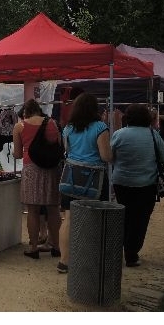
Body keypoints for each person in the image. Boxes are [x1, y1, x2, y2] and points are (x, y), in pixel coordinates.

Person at [57, 93, 112, 274]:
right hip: (94, 180)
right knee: (94, 219)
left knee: (68, 219)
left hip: (71, 176)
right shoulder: (100, 127)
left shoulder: (68, 128)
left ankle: (64, 261)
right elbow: (106, 156)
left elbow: (68, 151)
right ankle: (87, 259)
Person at [111, 104, 164, 267]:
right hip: (146, 183)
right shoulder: (153, 135)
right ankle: (131, 253)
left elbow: (110, 156)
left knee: (124, 216)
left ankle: (119, 249)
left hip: (121, 182)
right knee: (140, 219)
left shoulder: (118, 134)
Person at [12, 99, 62, 259]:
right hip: (51, 169)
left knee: (32, 210)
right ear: (39, 110)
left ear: (25, 112)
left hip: (31, 169)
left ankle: (33, 247)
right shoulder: (52, 123)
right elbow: (60, 146)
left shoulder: (20, 127)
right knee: (53, 209)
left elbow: (18, 154)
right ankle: (56, 246)